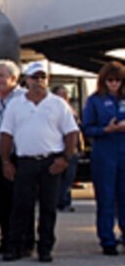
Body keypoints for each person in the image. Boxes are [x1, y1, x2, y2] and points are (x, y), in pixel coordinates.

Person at [0, 61, 80, 263]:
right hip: (25, 161)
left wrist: (66, 158)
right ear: (26, 80)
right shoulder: (15, 104)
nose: (39, 81)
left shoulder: (58, 104)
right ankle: (16, 246)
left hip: (50, 162)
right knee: (21, 206)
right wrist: (6, 162)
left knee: (48, 207)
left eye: (43, 77)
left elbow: (71, 133)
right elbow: (6, 135)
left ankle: (45, 248)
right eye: (35, 77)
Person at [81, 60, 125, 256]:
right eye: (110, 80)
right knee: (106, 197)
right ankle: (107, 239)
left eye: (118, 80)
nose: (114, 84)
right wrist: (106, 129)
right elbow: (87, 128)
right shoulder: (95, 100)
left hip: (123, 150)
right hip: (104, 152)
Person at [0, 59, 25, 253]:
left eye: (2, 75)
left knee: (18, 201)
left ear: (14, 77)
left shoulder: (23, 99)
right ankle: (7, 238)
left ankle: (22, 241)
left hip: (16, 157)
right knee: (1, 202)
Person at [51, 84, 82, 212]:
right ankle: (59, 201)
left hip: (73, 149)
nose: (64, 97)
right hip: (59, 148)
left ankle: (66, 200)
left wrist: (80, 146)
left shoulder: (71, 110)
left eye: (66, 94)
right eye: (61, 94)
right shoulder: (53, 109)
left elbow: (77, 130)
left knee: (69, 177)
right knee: (59, 178)